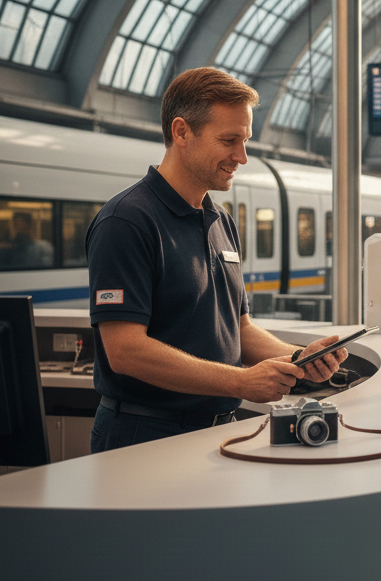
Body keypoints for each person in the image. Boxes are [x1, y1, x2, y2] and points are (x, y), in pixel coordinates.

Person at [86, 67, 347, 452]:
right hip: (144, 436)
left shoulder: (220, 219)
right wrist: (240, 383)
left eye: (245, 141)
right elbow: (125, 351)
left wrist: (297, 358)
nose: (241, 157)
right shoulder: (127, 221)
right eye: (229, 140)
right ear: (181, 132)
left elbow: (237, 329)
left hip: (216, 431)